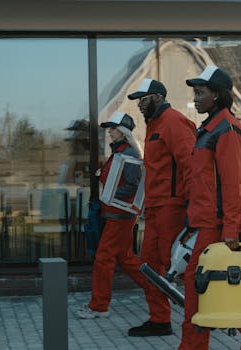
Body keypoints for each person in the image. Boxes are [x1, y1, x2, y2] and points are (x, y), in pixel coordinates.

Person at [179, 65, 241, 350]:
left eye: (200, 92)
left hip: (218, 227)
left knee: (206, 288)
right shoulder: (209, 129)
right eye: (195, 92)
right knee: (221, 290)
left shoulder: (226, 130)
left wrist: (231, 229)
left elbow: (234, 186)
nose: (195, 98)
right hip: (206, 222)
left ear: (217, 95)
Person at [126, 78, 196, 337]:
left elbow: (191, 165)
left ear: (157, 96)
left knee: (175, 266)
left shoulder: (174, 123)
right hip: (155, 208)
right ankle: (159, 319)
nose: (140, 106)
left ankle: (199, 319)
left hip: (173, 206)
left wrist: (192, 206)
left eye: (142, 100)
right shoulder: (154, 125)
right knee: (149, 265)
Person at [77, 112, 160, 320]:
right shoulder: (120, 151)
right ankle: (157, 288)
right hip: (117, 213)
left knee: (103, 258)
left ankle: (99, 306)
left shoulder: (128, 152)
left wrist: (110, 194)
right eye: (109, 129)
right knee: (126, 258)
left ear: (123, 132)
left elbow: (132, 185)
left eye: (113, 129)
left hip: (120, 215)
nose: (110, 132)